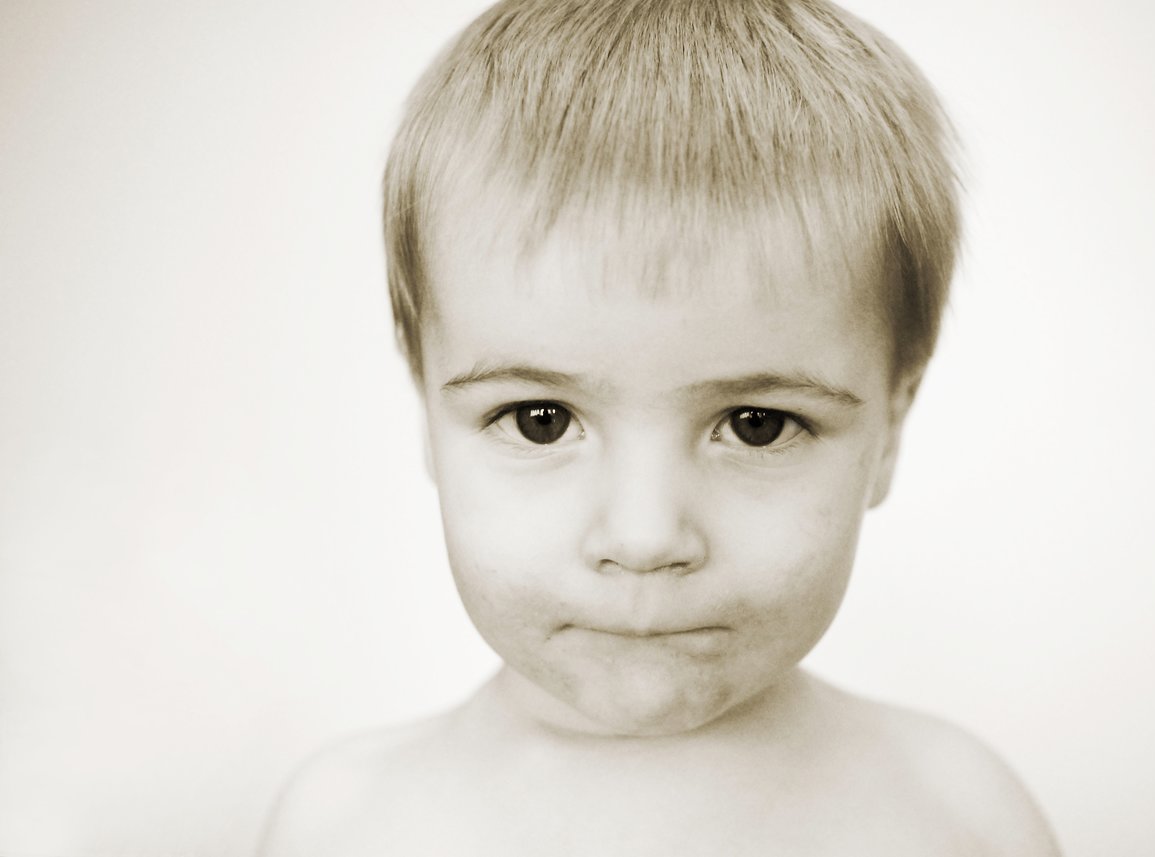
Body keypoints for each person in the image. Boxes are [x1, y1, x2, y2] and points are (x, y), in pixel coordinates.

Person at [259, 0, 1060, 853]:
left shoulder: (956, 819)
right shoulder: (347, 825)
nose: (644, 537)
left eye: (756, 425)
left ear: (890, 428)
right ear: (426, 406)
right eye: (540, 420)